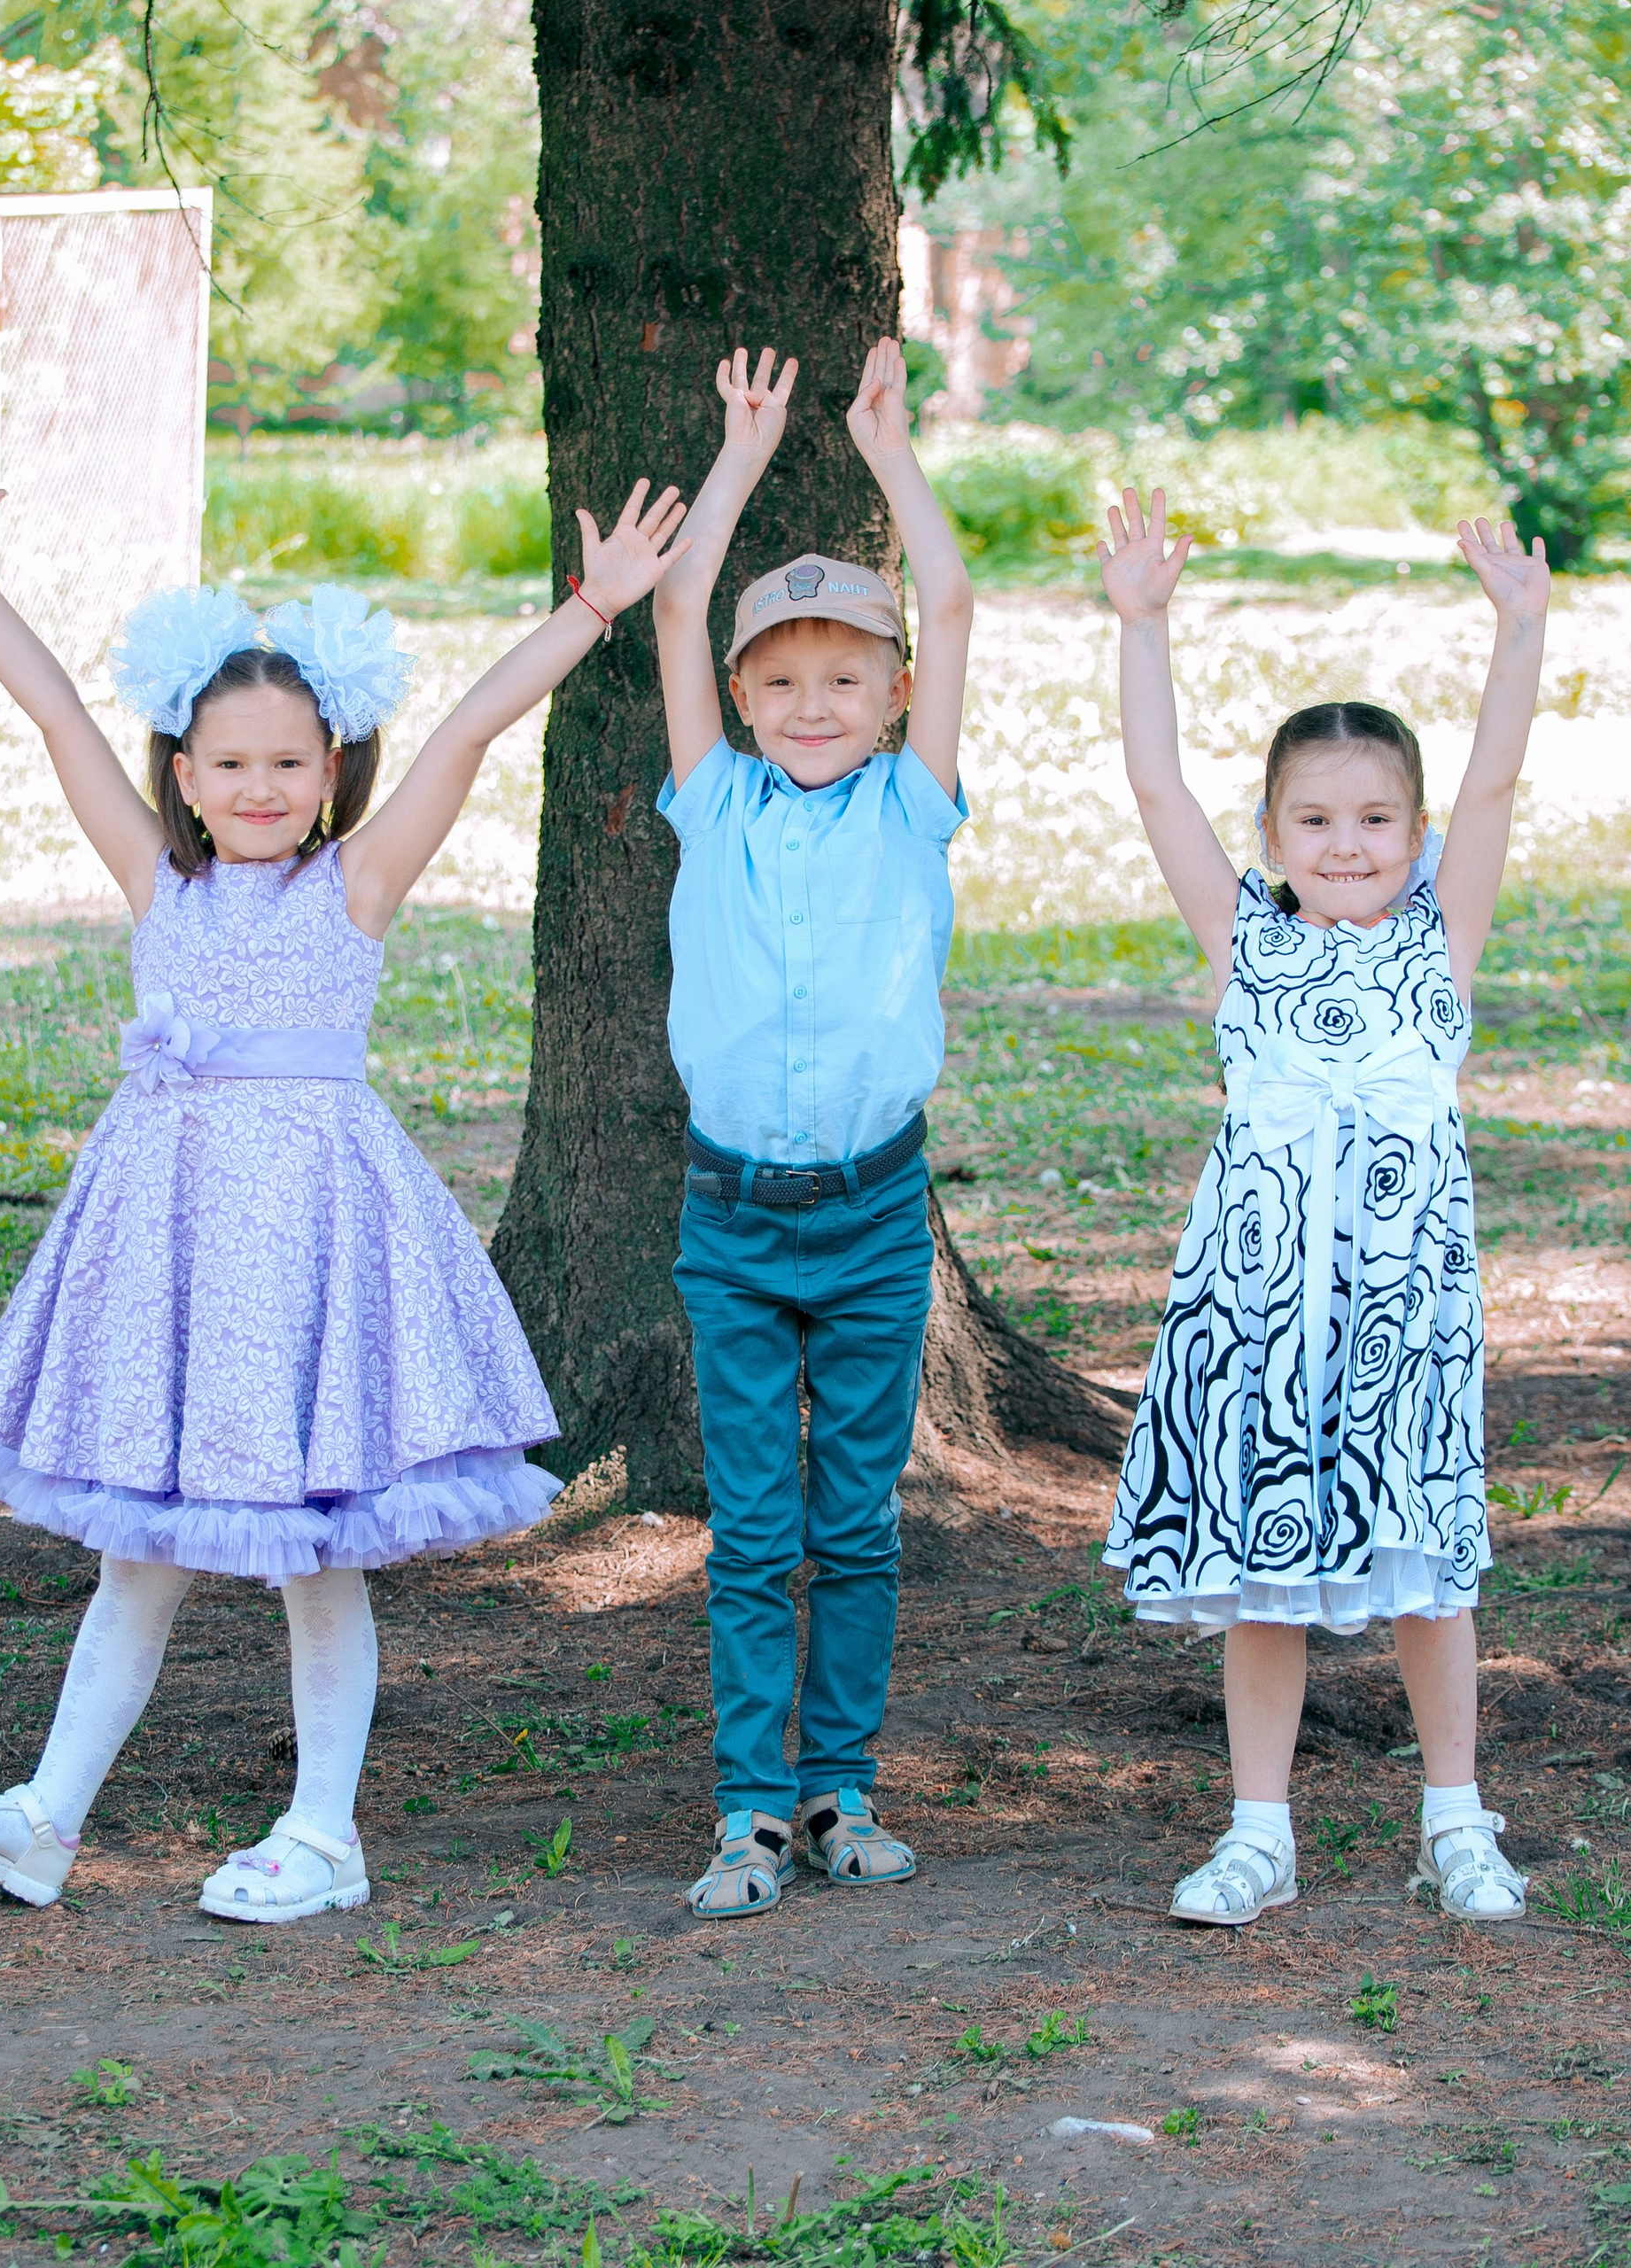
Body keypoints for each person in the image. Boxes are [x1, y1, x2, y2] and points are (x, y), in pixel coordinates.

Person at [0, 443, 690, 1917]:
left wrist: (593, 610)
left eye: (291, 762)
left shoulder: (354, 887)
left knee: (321, 1553)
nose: (259, 787)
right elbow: (58, 714)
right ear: (182, 774)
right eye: (229, 762)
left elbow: (464, 736)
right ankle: (46, 1818)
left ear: (333, 777)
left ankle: (325, 1834)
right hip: (174, 1244)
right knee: (138, 1552)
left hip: (314, 1244)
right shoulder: (158, 881)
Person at [1099, 486, 1544, 1927]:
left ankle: (1456, 1821)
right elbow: (1158, 788)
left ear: (1412, 835)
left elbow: (1490, 786)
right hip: (1264, 1313)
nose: (1345, 841)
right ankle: (1259, 1833)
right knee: (1263, 1577)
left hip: (1405, 1308)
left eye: (1374, 818)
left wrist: (1521, 631)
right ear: (1275, 830)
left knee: (1428, 1571)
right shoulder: (1244, 940)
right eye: (1314, 818)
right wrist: (1143, 627)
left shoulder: (1439, 942)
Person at [650, 339, 973, 1918]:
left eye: (848, 676)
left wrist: (886, 448)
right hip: (732, 1216)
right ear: (739, 697)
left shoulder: (915, 802)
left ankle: (842, 1789)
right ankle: (750, 1811)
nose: (814, 702)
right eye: (781, 679)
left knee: (854, 1524)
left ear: (896, 692)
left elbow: (959, 600)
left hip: (869, 1215)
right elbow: (674, 603)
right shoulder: (712, 800)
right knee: (752, 1526)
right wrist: (743, 452)